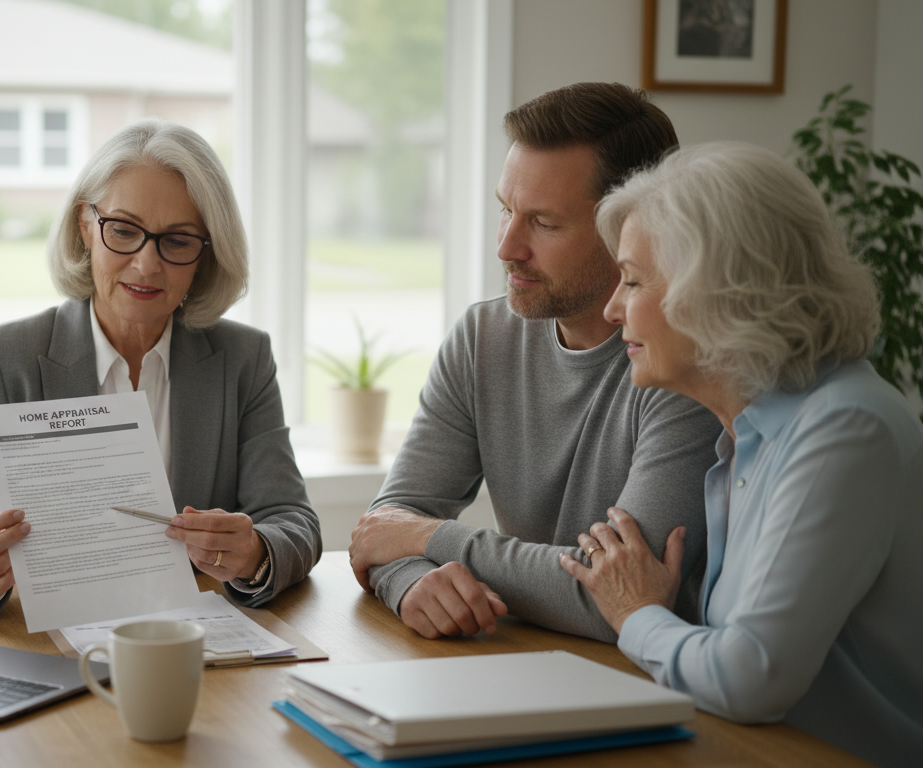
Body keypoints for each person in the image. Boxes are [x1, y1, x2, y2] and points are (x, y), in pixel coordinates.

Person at [561, 142, 923, 767]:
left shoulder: (845, 427)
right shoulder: (747, 435)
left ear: (717, 290)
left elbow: (749, 678)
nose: (612, 307)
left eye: (634, 279)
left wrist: (637, 613)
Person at [347, 82, 723, 642]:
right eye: (506, 209)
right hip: (523, 665)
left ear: (631, 228)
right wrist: (407, 582)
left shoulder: (682, 362)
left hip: (652, 688)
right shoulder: (483, 336)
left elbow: (613, 598)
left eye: (544, 224)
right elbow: (388, 522)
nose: (506, 246)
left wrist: (429, 541)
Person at [0, 119, 322, 619]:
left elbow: (294, 523)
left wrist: (256, 552)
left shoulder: (243, 359)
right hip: (51, 644)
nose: (146, 265)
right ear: (85, 227)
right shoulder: (4, 358)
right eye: (125, 231)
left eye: (176, 241)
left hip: (193, 645)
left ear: (206, 254)